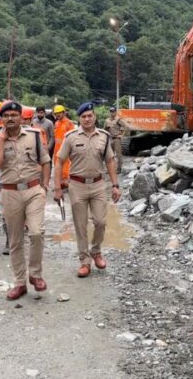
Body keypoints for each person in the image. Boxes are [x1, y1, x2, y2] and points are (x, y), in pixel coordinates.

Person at [0, 101, 51, 300]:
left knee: (36, 233)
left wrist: (45, 185)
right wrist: (1, 141)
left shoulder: (33, 135)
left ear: (21, 117)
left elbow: (45, 161)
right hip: (10, 192)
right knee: (15, 240)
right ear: (1, 118)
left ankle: (35, 274)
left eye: (14, 115)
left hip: (33, 189)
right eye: (6, 116)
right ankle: (19, 282)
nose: (10, 119)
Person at [54, 102, 121, 276]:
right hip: (77, 185)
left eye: (90, 115)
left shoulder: (104, 137)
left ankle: (96, 251)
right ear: (79, 119)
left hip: (99, 185)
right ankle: (84, 261)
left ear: (95, 116)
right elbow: (59, 161)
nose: (87, 119)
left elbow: (110, 161)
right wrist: (57, 188)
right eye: (83, 116)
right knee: (80, 225)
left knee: (100, 222)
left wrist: (115, 185)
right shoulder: (71, 137)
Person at [52, 104, 74, 188]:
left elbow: (72, 137)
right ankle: (60, 183)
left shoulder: (69, 123)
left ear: (63, 113)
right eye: (56, 113)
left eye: (59, 113)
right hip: (56, 148)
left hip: (65, 148)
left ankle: (65, 183)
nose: (57, 115)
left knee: (65, 166)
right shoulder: (57, 123)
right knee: (57, 166)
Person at [103, 107, 126, 173]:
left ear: (116, 112)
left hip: (116, 139)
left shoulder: (118, 119)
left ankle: (119, 169)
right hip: (110, 139)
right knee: (109, 155)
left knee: (118, 155)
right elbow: (104, 129)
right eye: (111, 111)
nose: (112, 113)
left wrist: (122, 135)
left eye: (113, 111)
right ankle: (110, 169)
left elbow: (125, 127)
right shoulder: (107, 120)